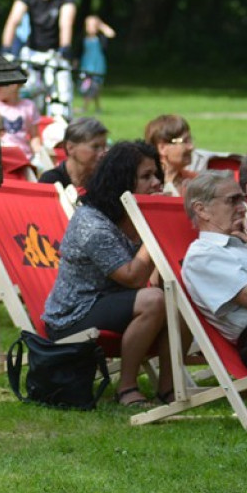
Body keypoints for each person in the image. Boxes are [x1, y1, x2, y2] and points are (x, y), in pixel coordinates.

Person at [41, 141, 175, 407]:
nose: (157, 183)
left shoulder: (134, 214)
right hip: (73, 314)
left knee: (178, 297)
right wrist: (155, 229)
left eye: (157, 175)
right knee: (154, 300)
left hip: (115, 302)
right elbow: (133, 277)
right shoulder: (92, 223)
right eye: (146, 176)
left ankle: (169, 388)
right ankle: (126, 388)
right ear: (121, 181)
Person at [182, 171, 247, 371]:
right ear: (202, 210)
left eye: (243, 199)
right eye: (233, 201)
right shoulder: (203, 255)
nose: (243, 209)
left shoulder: (245, 242)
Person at [0, 0, 77, 119]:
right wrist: (6, 50)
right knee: (30, 96)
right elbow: (13, 21)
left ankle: (61, 130)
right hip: (32, 53)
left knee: (61, 97)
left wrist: (64, 50)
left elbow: (66, 24)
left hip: (55, 53)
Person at [38, 116, 109, 188]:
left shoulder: (104, 181)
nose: (103, 152)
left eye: (105, 147)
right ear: (70, 148)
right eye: (95, 147)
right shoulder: (50, 181)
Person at [143, 114, 195, 197]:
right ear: (162, 148)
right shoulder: (145, 185)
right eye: (185, 141)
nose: (191, 147)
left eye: (190, 140)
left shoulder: (196, 182)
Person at [0, 81, 43, 162]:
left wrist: (39, 154)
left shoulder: (28, 106)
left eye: (0, 87)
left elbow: (34, 136)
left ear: (14, 85)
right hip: (3, 158)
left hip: (25, 157)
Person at [79, 15, 116, 114]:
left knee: (95, 87)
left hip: (97, 66)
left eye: (93, 26)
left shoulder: (100, 39)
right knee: (88, 87)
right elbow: (79, 52)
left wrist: (101, 25)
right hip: (86, 66)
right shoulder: (83, 39)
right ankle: (92, 107)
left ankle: (88, 107)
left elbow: (111, 34)